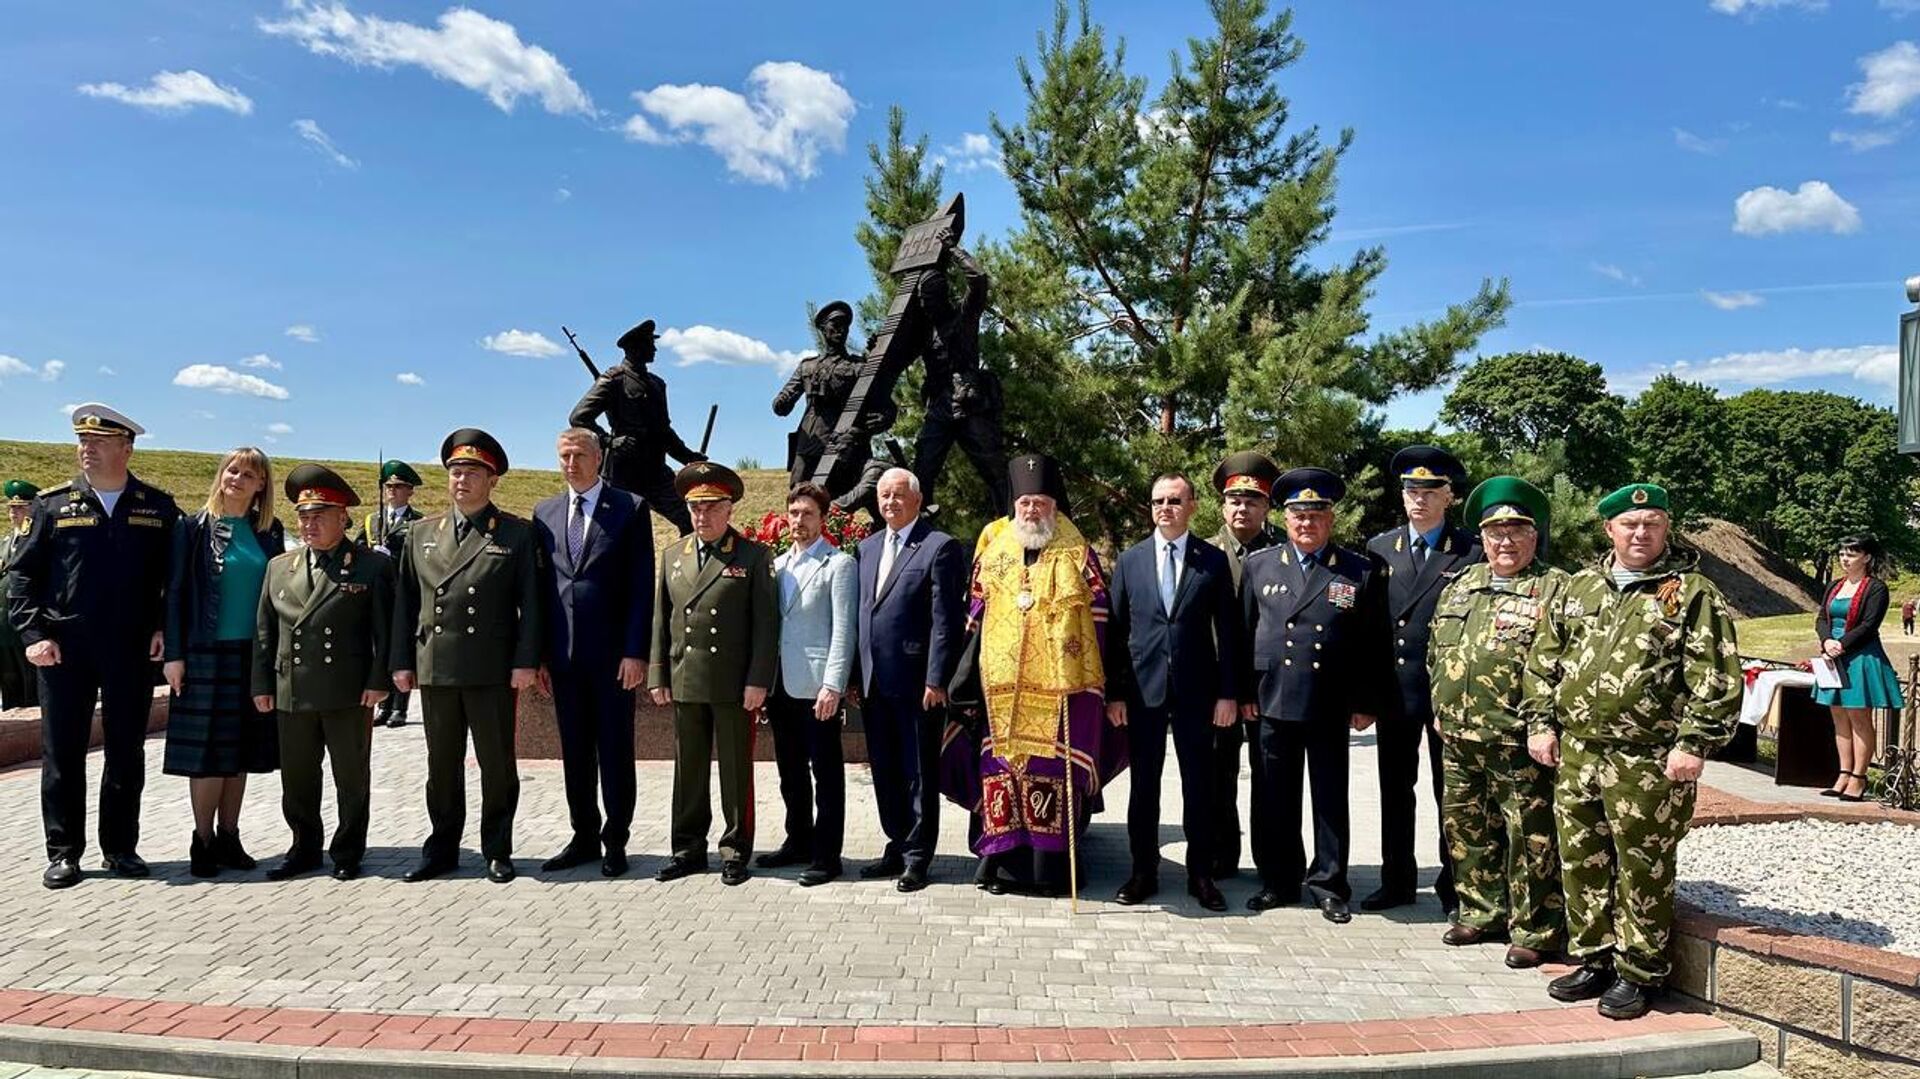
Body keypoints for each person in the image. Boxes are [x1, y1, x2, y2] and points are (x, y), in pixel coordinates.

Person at [1527, 482, 1741, 1020]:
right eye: (1630, 524)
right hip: (1578, 752)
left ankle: (1642, 972)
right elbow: (1543, 662)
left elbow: (1715, 676)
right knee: (1581, 858)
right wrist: (1540, 724)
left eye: (1652, 524)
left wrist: (1694, 744)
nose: (1640, 532)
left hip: (1647, 759)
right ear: (1610, 530)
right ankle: (1595, 958)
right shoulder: (1578, 588)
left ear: (1666, 529)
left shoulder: (1690, 592)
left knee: (1643, 865)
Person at [8, 404, 181, 888]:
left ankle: (121, 848)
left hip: (130, 647)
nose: (87, 449)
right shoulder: (52, 506)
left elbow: (174, 578)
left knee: (127, 750)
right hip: (66, 647)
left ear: (126, 448)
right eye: (82, 442)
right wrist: (33, 635)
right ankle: (64, 852)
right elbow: (21, 576)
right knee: (62, 751)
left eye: (98, 442)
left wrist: (163, 628)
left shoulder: (156, 507)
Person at [945, 453, 1123, 897]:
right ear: (1015, 504)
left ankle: (1051, 872)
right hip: (1002, 690)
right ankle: (1000, 864)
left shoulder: (1076, 550)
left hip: (1062, 691)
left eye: (1041, 502)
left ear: (1054, 505)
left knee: (1050, 773)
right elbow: (975, 613)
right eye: (1025, 502)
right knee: (1003, 770)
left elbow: (1099, 614)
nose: (1032, 511)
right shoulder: (995, 550)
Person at [390, 429, 542, 885]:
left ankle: (498, 848)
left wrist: (525, 661)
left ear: (492, 481)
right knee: (441, 765)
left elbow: (531, 606)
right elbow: (404, 602)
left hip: (490, 668)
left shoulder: (516, 533)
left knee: (497, 765)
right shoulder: (420, 534)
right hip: (436, 666)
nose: (462, 480)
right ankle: (442, 848)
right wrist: (401, 661)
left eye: (473, 472)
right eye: (456, 471)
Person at [1427, 477, 1567, 968]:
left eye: (1515, 531)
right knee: (1467, 827)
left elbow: (1563, 666)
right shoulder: (1464, 583)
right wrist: (1440, 708)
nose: (1504, 542)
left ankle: (1535, 927)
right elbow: (1437, 652)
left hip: (1516, 737)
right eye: (1494, 532)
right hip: (1460, 734)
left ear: (1534, 535)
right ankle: (1481, 911)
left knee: (1528, 836)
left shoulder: (1556, 589)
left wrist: (1543, 724)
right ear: (1482, 537)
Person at [1239, 467, 1381, 923]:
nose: (1307, 523)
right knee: (1272, 796)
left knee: (1329, 797)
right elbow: (1244, 634)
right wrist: (1242, 692)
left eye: (1316, 515)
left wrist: (1363, 701)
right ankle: (1278, 880)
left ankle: (1328, 883)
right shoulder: (1260, 565)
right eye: (1298, 515)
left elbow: (1369, 642)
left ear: (1331, 519)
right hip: (1272, 698)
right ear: (1286, 518)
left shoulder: (1358, 570)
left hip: (1328, 700)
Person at [1104, 473, 1240, 911]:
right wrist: (1115, 694)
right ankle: (1143, 872)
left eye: (1175, 500)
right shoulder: (1130, 560)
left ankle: (1201, 875)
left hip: (1197, 693)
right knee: (1144, 788)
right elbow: (1117, 633)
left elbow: (1230, 632)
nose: (1166, 508)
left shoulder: (1212, 561)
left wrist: (1227, 694)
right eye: (1159, 500)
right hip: (1142, 695)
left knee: (1199, 787)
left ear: (1193, 506)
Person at [252, 465, 393, 881]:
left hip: (348, 690)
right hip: (292, 688)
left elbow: (384, 631)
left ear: (343, 517)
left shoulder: (370, 566)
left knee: (350, 776)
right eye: (303, 516)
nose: (309, 524)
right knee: (297, 777)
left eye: (320, 515)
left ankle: (348, 850)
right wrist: (261, 683)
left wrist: (378, 679)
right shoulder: (280, 566)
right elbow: (265, 630)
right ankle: (303, 847)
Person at [648, 462, 779, 886]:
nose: (702, 516)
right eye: (695, 508)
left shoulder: (753, 556)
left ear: (729, 510)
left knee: (735, 771)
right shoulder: (673, 555)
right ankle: (686, 848)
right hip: (686, 679)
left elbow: (765, 625)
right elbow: (661, 619)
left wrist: (759, 679)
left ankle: (735, 849)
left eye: (711, 507)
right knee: (688, 770)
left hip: (733, 683)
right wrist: (658, 674)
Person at [1364, 445, 1482, 914]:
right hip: (1395, 693)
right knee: (1394, 792)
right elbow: (1372, 628)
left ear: (1449, 496)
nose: (1419, 499)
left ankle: (1455, 887)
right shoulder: (1380, 549)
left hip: (1446, 696)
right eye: (1412, 489)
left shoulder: (1471, 550)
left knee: (1450, 795)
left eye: (1430, 490)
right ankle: (1396, 880)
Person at [532, 429, 654, 877]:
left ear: (598, 458)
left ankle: (615, 840)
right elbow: (543, 589)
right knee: (575, 752)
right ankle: (583, 836)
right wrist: (543, 655)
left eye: (579, 454)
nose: (571, 463)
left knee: (615, 750)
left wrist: (635, 651)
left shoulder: (629, 507)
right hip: (564, 659)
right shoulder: (544, 513)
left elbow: (642, 585)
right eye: (563, 455)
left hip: (613, 659)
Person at [162, 447, 286, 877]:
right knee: (209, 754)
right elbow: (175, 593)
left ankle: (230, 836)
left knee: (240, 750)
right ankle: (203, 840)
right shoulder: (192, 528)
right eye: (231, 470)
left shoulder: (269, 531)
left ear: (260, 485)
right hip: (204, 652)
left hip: (253, 653)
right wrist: (174, 654)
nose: (236, 478)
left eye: (247, 474)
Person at [854, 467, 965, 891]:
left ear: (917, 499)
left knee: (919, 770)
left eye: (899, 495)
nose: (889, 503)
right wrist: (853, 675)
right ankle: (896, 843)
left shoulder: (939, 547)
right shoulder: (867, 548)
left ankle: (918, 855)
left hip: (919, 683)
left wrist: (937, 679)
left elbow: (945, 621)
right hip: (872, 681)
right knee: (885, 769)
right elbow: (864, 613)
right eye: (884, 496)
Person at [757, 482, 857, 886]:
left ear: (823, 518)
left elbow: (843, 631)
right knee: (789, 771)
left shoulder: (838, 565)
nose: (799, 521)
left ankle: (827, 855)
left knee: (826, 773)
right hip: (781, 685)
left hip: (817, 688)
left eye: (807, 514)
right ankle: (797, 841)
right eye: (794, 513)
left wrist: (832, 685)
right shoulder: (777, 565)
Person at [1205, 450, 1282, 879]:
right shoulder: (1204, 552)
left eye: (1252, 501)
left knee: (1270, 778)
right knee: (1219, 774)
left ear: (1266, 507)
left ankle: (1271, 861)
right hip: (1219, 686)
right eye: (1235, 500)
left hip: (1269, 686)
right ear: (1223, 505)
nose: (1242, 508)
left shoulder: (1283, 553)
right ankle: (1221, 855)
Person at [569, 319, 708, 536]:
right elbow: (579, 417)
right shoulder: (614, 379)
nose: (654, 348)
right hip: (624, 474)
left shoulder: (657, 384)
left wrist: (688, 457)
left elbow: (664, 431)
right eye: (649, 344)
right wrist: (609, 441)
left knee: (689, 518)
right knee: (617, 533)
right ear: (634, 348)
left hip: (656, 472)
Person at [910, 247, 1011, 514]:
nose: (926, 304)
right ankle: (920, 527)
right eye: (923, 300)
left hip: (969, 404)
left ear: (943, 296)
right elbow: (896, 355)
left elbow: (978, 279)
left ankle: (1012, 522)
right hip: (938, 407)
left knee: (995, 470)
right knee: (922, 471)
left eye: (930, 298)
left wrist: (954, 249)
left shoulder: (964, 317)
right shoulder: (925, 334)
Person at [1812, 534, 1903, 802]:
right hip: (1833, 654)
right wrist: (1827, 639)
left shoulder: (1876, 588)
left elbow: (1869, 625)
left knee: (1858, 717)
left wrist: (1841, 644)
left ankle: (1859, 777)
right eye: (1842, 553)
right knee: (1838, 716)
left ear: (1866, 557)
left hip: (1860, 656)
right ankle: (1843, 773)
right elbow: (1821, 618)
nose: (1844, 558)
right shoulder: (1834, 586)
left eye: (1851, 554)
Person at [358, 460, 424, 728]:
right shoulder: (372, 520)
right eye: (389, 487)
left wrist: (392, 555)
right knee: (381, 649)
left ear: (410, 491)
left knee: (401, 649)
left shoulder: (417, 522)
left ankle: (400, 708)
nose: (392, 492)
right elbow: (357, 549)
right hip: (377, 594)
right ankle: (384, 705)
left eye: (399, 487)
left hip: (401, 591)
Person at [774, 302, 868, 487]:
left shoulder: (858, 367)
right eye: (835, 325)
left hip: (842, 441)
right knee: (798, 492)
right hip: (809, 442)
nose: (841, 330)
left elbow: (876, 403)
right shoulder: (807, 366)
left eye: (845, 325)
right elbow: (783, 402)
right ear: (823, 329)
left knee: (841, 495)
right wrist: (781, 402)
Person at [1, 480, 41, 711]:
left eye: (20, 507)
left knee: (32, 685)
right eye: (11, 507)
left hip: (28, 625)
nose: (13, 512)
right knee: (9, 681)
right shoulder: (5, 542)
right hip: (4, 627)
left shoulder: (40, 540)